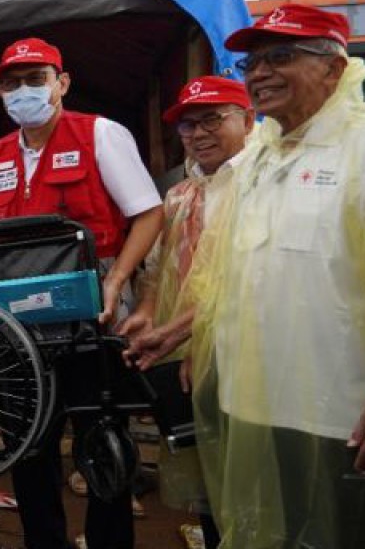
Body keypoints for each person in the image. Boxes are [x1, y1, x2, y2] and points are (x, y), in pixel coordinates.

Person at [183, 3, 365, 548]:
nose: (259, 74)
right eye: (251, 64)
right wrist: (188, 333)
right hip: (260, 408)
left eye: (281, 57)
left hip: (352, 416)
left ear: (334, 69)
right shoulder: (256, 162)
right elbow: (237, 274)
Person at [0, 37, 162, 549]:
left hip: (92, 314)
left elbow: (148, 212)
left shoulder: (100, 133)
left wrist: (118, 278)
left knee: (101, 444)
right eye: (10, 84)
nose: (22, 91)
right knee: (27, 446)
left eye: (35, 80)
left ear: (62, 83)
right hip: (17, 323)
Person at [117, 75, 255, 548]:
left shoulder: (264, 183)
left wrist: (186, 333)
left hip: (253, 355)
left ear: (249, 119)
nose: (198, 133)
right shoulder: (180, 195)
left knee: (256, 473)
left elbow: (250, 281)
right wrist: (148, 312)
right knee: (210, 473)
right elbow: (157, 268)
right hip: (187, 355)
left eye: (212, 119)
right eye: (188, 125)